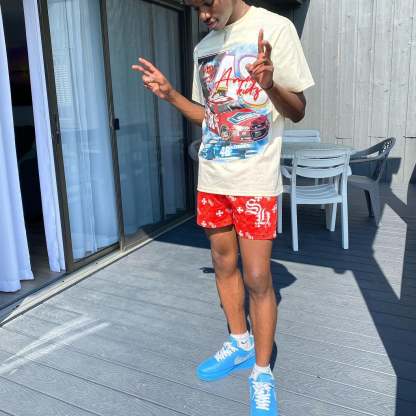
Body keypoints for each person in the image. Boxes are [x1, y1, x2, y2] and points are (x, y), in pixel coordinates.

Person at [132, 1, 314, 414]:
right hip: (212, 178)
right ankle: (239, 342)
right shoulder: (204, 48)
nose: (203, 16)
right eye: (195, 8)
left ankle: (262, 373)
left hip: (255, 180)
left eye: (207, 3)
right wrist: (171, 95)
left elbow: (298, 111)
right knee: (222, 264)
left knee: (258, 277)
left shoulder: (275, 28)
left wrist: (270, 84)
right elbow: (209, 116)